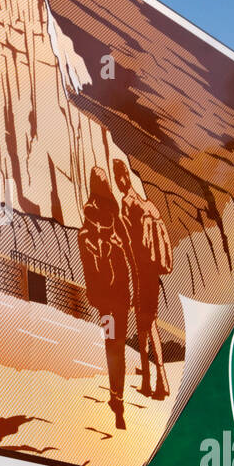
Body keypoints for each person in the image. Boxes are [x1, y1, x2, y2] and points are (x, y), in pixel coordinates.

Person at [113, 158, 172, 399]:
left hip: (140, 272)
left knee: (143, 325)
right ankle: (157, 378)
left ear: (121, 178)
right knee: (151, 323)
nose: (118, 183)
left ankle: (155, 380)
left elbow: (129, 243)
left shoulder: (127, 204)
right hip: (153, 274)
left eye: (118, 179)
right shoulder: (148, 205)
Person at [78, 167, 131, 429]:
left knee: (111, 345)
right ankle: (117, 396)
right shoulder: (115, 221)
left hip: (106, 302)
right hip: (121, 298)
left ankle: (116, 397)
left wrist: (96, 298)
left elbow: (89, 270)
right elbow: (129, 259)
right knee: (118, 346)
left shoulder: (85, 229)